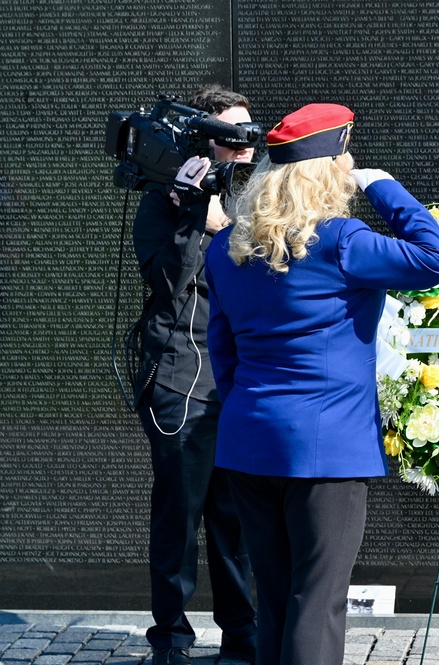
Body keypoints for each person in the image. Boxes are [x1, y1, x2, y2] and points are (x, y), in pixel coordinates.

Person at [202, 103, 439, 665]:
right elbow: (436, 260)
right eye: (346, 156)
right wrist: (384, 185)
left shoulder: (227, 247)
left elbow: (224, 351)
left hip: (248, 441)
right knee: (317, 600)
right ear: (329, 170)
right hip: (327, 450)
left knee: (275, 598)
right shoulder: (341, 241)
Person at [132, 84, 257, 665]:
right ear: (204, 140)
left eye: (249, 136)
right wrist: (194, 219)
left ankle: (243, 634)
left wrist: (226, 225)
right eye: (233, 138)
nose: (246, 148)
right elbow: (164, 285)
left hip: (240, 378)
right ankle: (171, 639)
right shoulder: (162, 201)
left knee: (236, 517)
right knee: (179, 514)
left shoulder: (255, 196)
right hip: (182, 374)